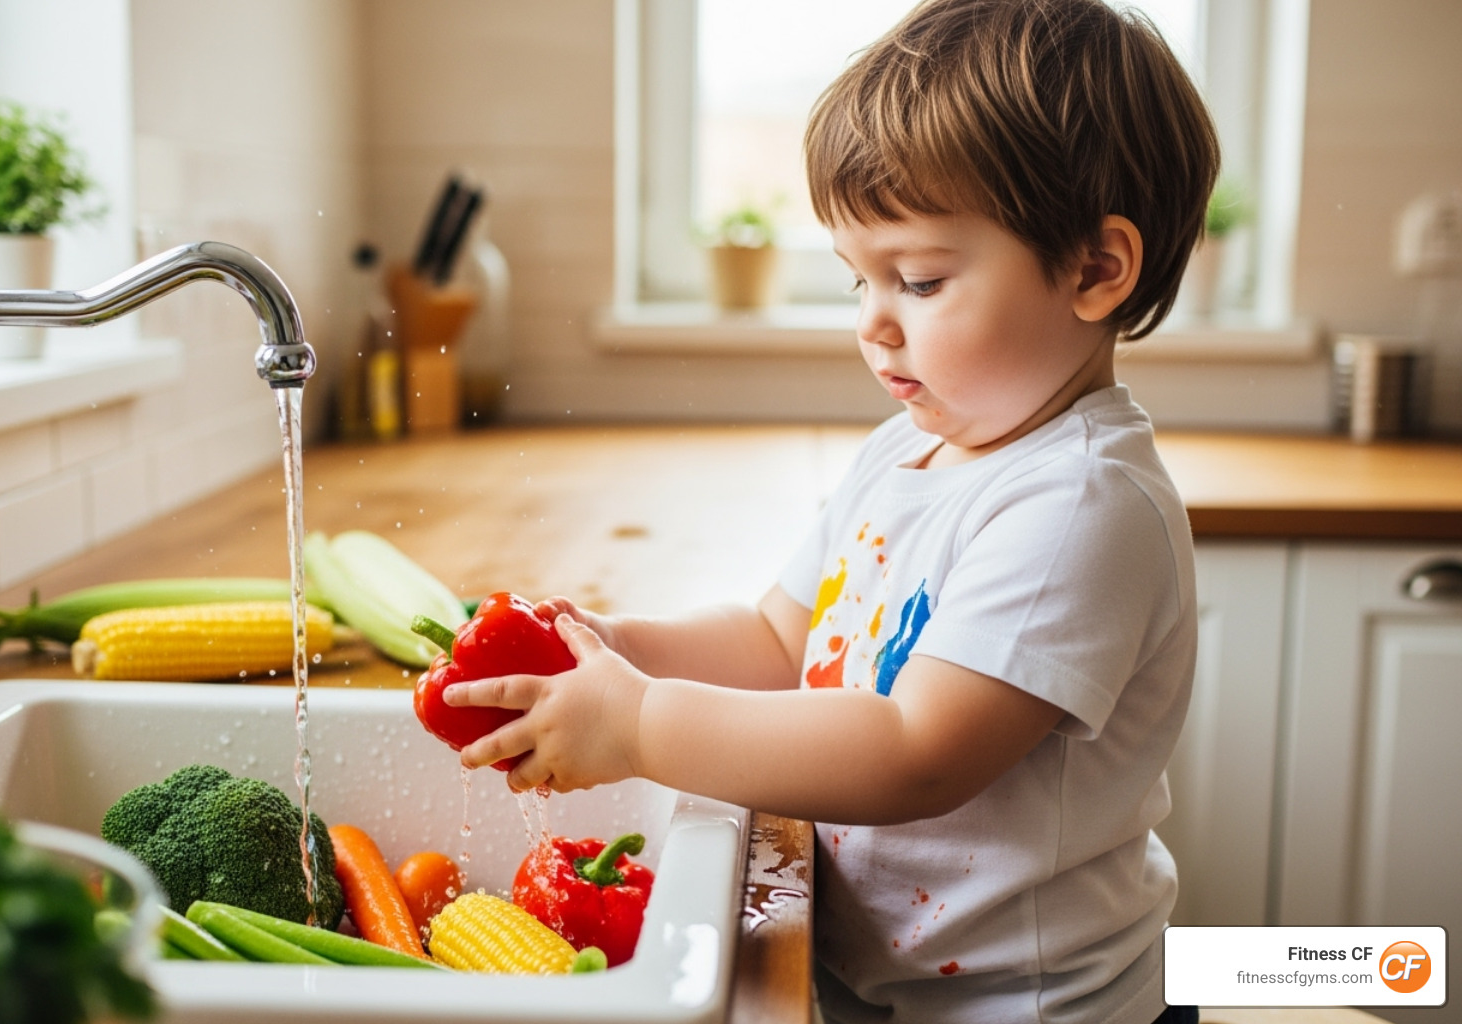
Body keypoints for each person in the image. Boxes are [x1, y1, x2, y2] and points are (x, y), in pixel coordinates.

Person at [443, 0, 1217, 1020]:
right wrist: (616, 644)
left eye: (922, 279)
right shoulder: (911, 446)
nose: (873, 324)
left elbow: (915, 752)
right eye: (858, 279)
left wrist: (641, 723)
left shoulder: (1078, 503)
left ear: (1096, 268)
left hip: (1028, 1005)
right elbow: (779, 636)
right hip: (878, 977)